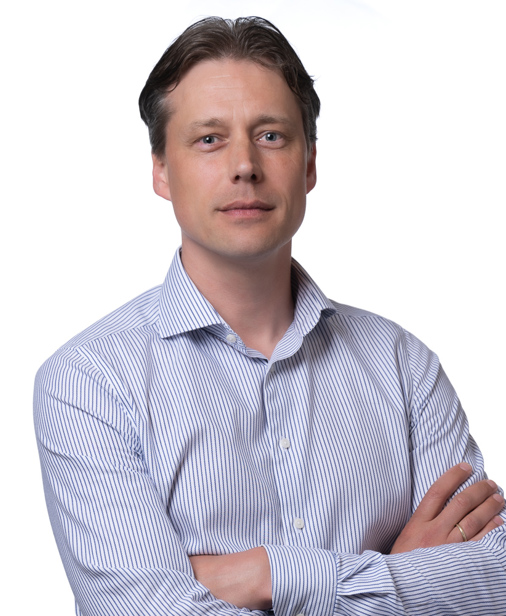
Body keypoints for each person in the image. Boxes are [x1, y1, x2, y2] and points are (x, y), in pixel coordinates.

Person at [34, 16, 506, 616]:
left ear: (309, 164)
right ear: (161, 170)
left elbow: (497, 580)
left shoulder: (403, 366)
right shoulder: (87, 382)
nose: (244, 165)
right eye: (209, 139)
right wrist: (401, 577)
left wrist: (265, 573)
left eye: (271, 135)